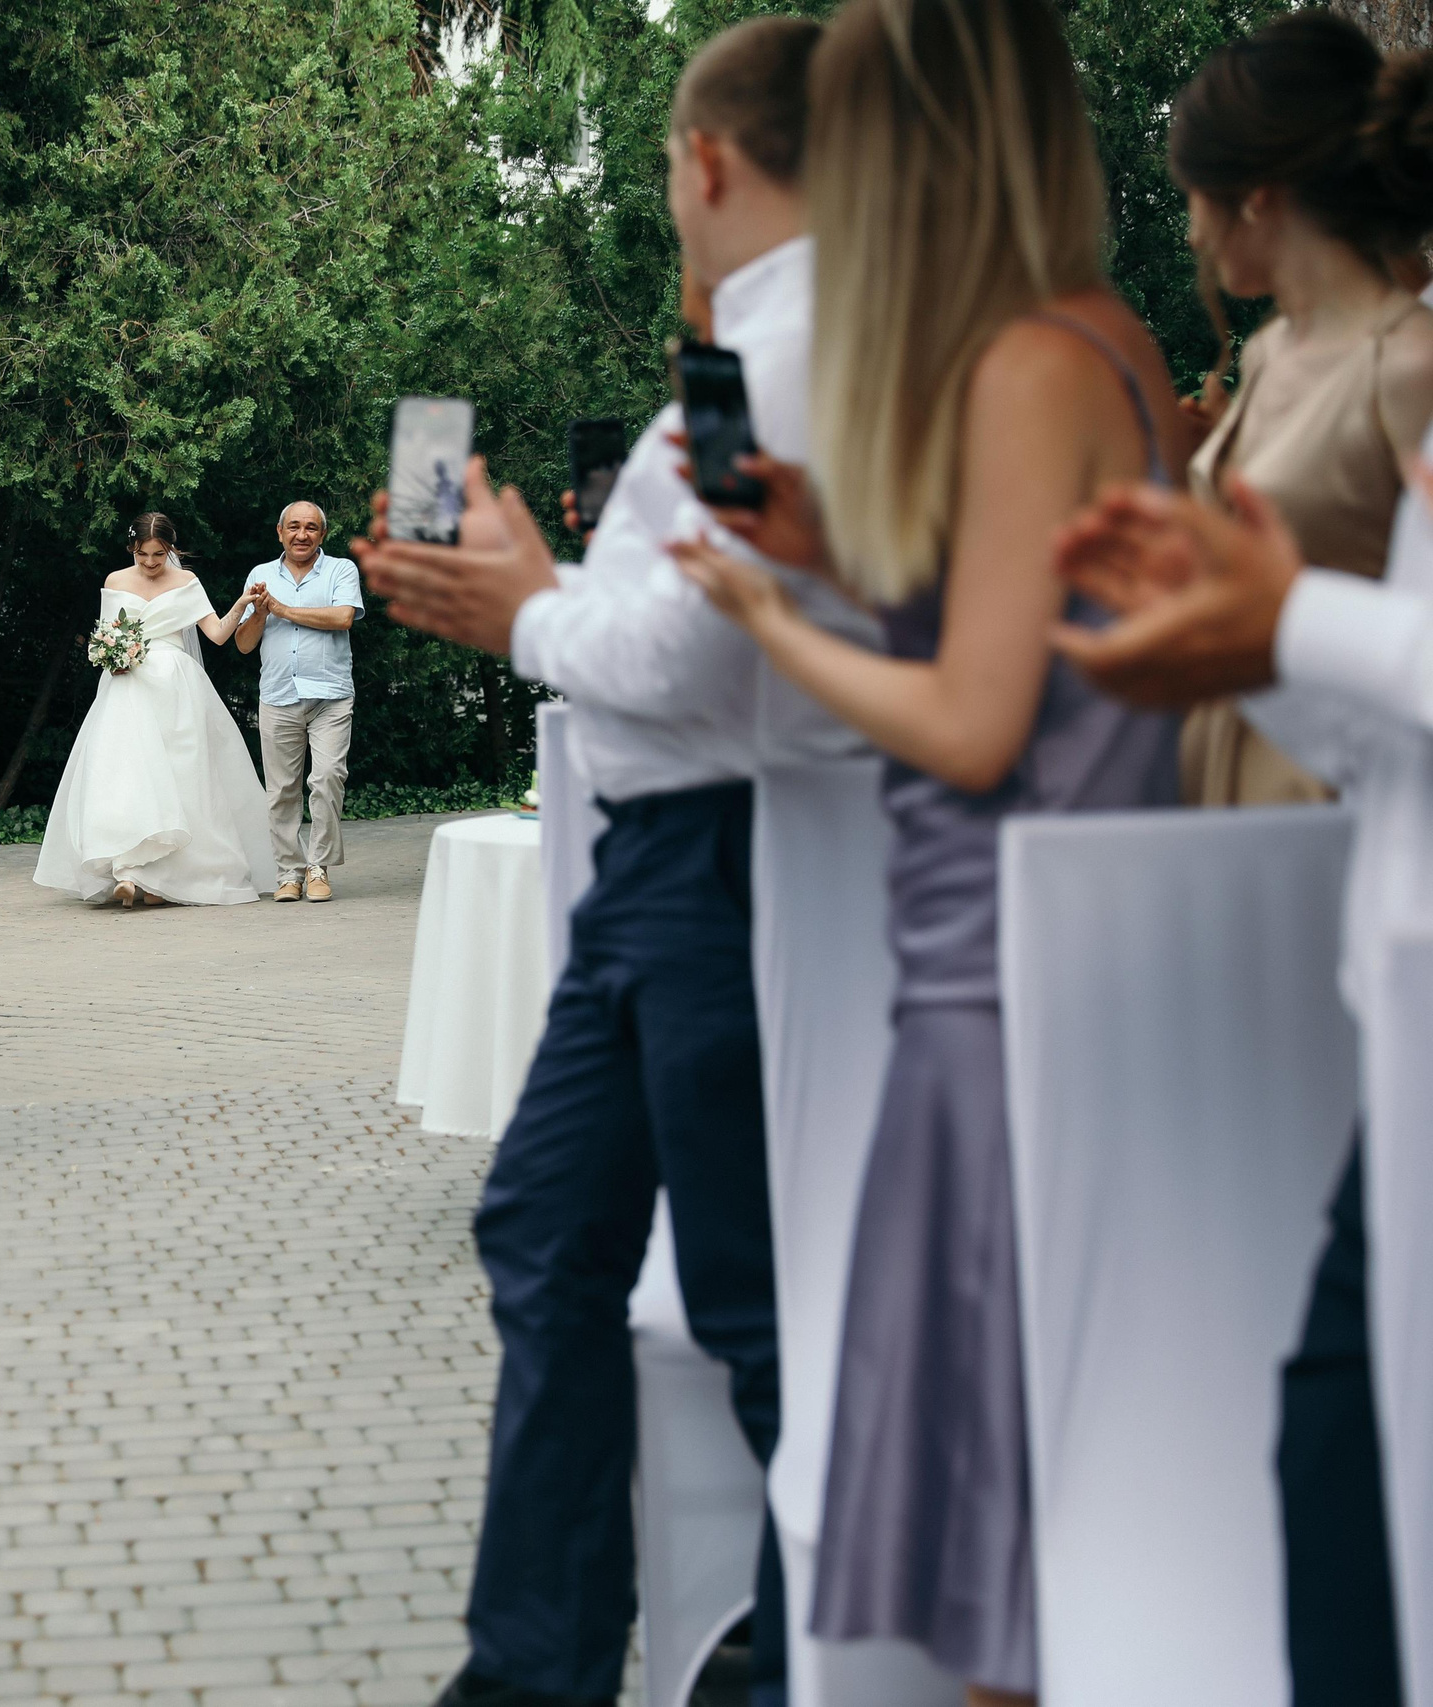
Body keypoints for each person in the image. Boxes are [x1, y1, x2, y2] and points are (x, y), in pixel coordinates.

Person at [665, 0, 1190, 1697]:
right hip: (1060, 966)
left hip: (994, 993)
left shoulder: (1022, 367)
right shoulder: (1098, 334)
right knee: (1031, 1514)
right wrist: (824, 534)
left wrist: (765, 605)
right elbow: (1033, 623)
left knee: (1000, 1570)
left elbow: (972, 722)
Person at [355, 19, 864, 1707]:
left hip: (722, 861)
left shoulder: (785, 361)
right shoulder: (755, 349)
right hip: (661, 864)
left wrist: (523, 608)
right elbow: (666, 609)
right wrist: (524, 581)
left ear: (710, 160)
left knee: (749, 1293)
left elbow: (707, 652)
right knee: (550, 1227)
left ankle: (795, 1663)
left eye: (666, 168)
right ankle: (537, 1669)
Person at [1161, 10, 1433, 808]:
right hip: (1222, 766)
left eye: (1195, 199)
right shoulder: (1266, 352)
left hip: (1339, 794)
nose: (1191, 235)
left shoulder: (1411, 367)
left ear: (1255, 198)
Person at [34, 513, 275, 907]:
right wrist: (112, 655)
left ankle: (163, 878)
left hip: (176, 686)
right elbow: (109, 633)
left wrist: (242, 605)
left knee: (182, 776)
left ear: (171, 549)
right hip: (127, 686)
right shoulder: (115, 581)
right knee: (125, 773)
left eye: (158, 554)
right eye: (142, 553)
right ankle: (127, 871)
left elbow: (215, 635)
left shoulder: (186, 583)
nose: (149, 562)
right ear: (132, 548)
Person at [235, 502, 364, 903]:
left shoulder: (341, 570)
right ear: (280, 532)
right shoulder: (260, 575)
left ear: (322, 535)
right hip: (277, 695)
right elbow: (243, 643)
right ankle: (289, 873)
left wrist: (281, 609)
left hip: (331, 696)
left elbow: (343, 617)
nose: (301, 535)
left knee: (327, 779)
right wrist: (259, 612)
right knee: (281, 792)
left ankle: (318, 866)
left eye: (311, 528)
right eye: (293, 527)